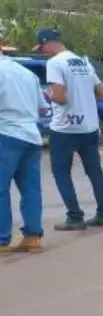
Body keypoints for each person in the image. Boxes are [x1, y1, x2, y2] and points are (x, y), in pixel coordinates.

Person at [36, 28, 103, 231]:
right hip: (88, 127)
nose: (43, 52)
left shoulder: (55, 63)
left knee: (61, 172)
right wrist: (84, 99)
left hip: (65, 128)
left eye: (42, 47)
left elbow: (61, 98)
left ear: (47, 43)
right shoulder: (83, 62)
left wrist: (47, 94)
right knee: (94, 172)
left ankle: (75, 216)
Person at [0, 51, 48, 254]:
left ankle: (2, 239)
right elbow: (43, 109)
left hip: (5, 132)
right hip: (31, 135)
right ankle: (32, 236)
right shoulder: (26, 73)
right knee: (30, 189)